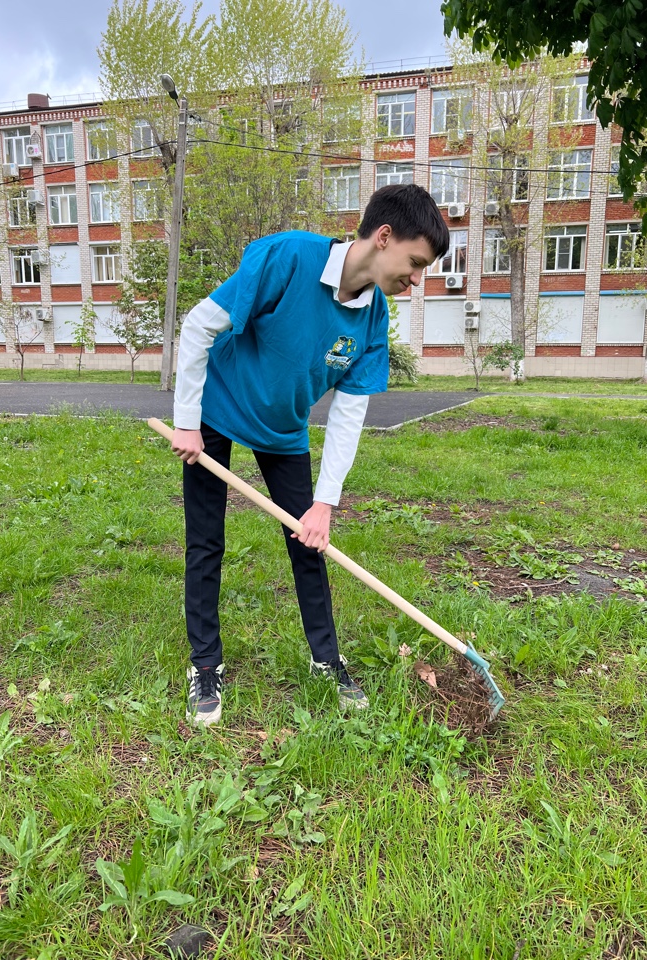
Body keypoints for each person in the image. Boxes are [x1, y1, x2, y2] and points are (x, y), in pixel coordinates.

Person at [170, 183, 449, 726]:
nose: (415, 280)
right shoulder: (289, 257)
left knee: (309, 545)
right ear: (384, 237)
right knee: (206, 542)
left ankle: (327, 660)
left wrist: (325, 503)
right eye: (414, 263)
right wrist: (186, 422)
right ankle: (205, 665)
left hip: (283, 428)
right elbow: (200, 324)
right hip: (217, 408)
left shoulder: (372, 318)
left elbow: (349, 414)